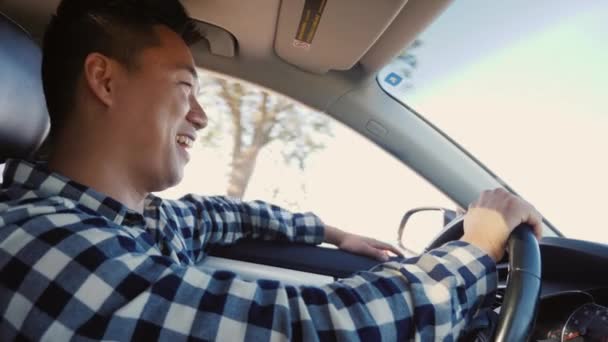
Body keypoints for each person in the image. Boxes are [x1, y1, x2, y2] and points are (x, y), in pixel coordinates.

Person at [0, 0, 543, 340]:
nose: (202, 115)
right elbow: (307, 329)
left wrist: (333, 234)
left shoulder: (131, 223)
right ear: (106, 81)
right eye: (185, 88)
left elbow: (219, 215)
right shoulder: (35, 245)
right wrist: (475, 250)